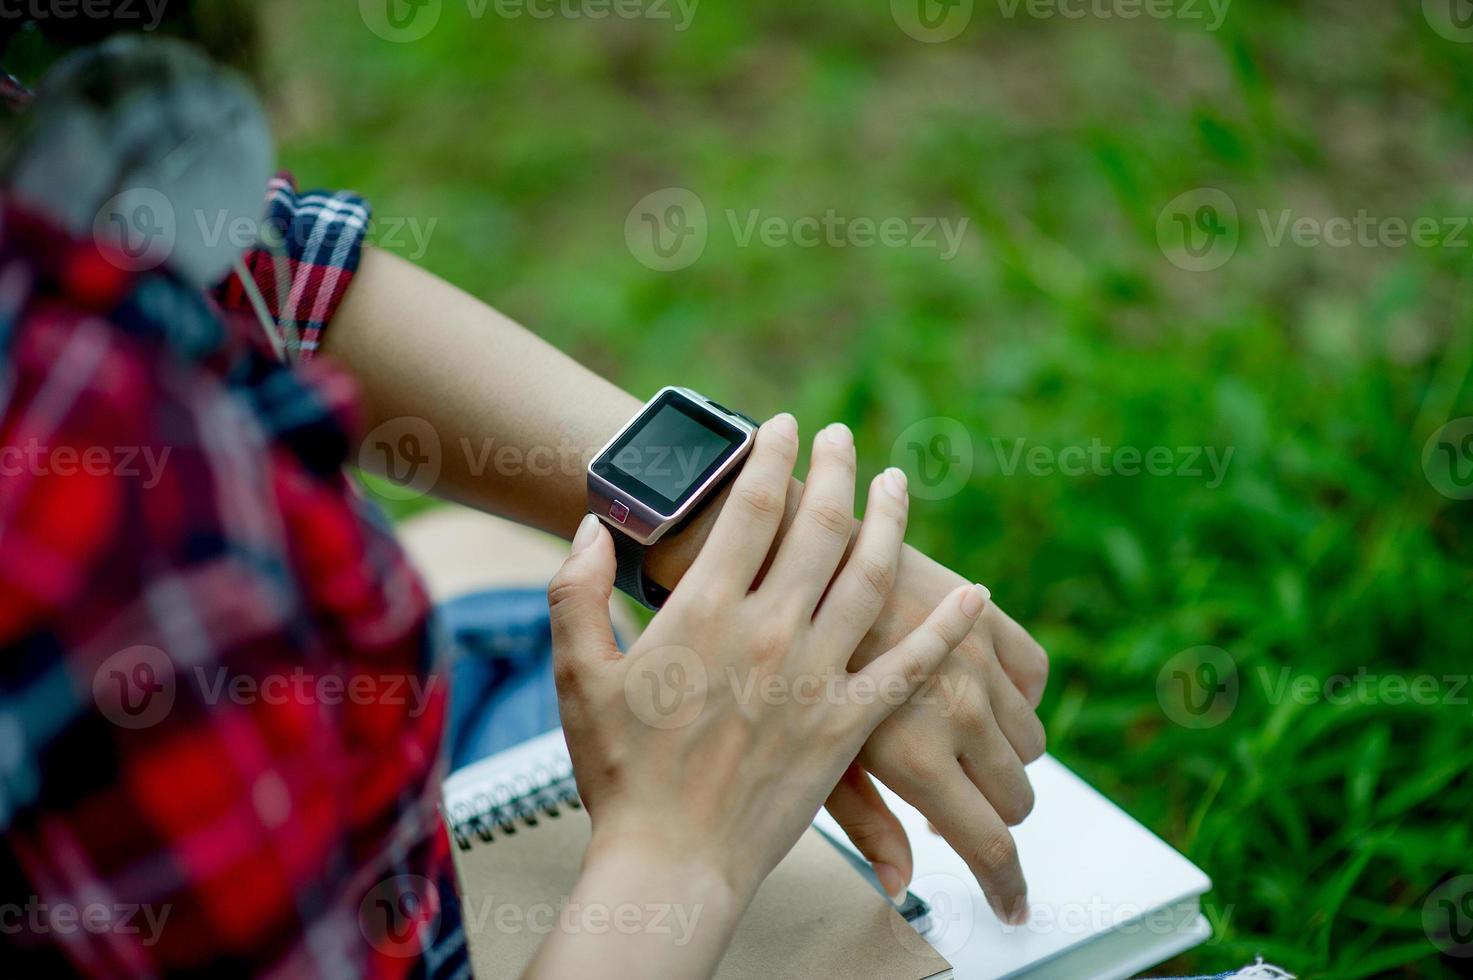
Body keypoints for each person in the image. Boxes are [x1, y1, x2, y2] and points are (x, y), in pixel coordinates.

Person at [0, 16, 1047, 978]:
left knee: (500, 588)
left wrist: (723, 525)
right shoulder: (120, 536)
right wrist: (683, 847)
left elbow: (253, 267)